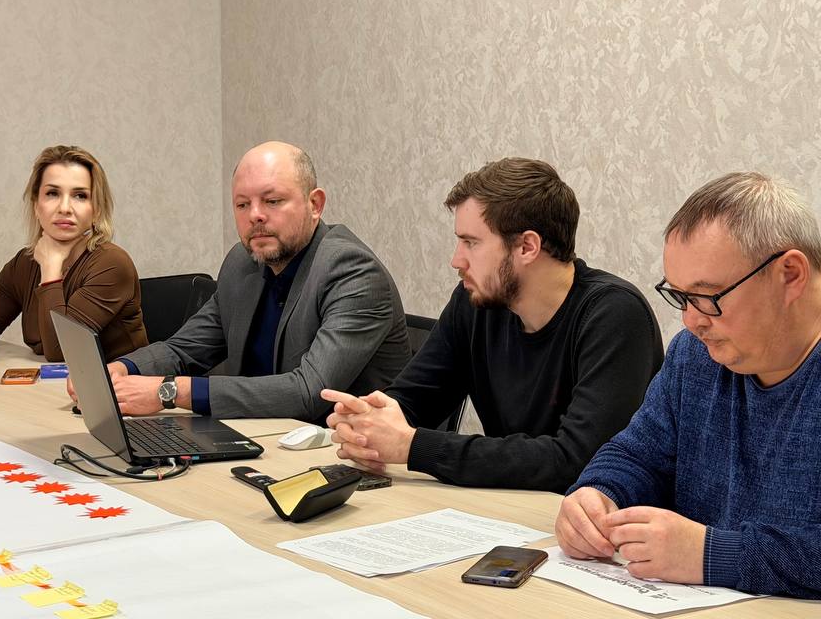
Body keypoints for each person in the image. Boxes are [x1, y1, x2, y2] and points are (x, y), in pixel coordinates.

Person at [325, 158, 662, 493]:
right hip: (505, 509)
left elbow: (577, 459)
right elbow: (413, 400)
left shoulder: (614, 314)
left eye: (471, 243)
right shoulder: (477, 302)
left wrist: (414, 447)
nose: (456, 260)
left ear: (527, 247)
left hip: (582, 518)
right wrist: (367, 424)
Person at [557, 172, 821, 598]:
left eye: (708, 297)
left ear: (790, 275)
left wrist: (712, 554)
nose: (691, 320)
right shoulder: (694, 356)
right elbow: (638, 455)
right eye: (681, 297)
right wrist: (598, 494)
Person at [76, 141, 411, 425]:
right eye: (242, 204)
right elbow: (184, 349)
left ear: (315, 205)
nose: (255, 216)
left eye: (272, 201)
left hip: (341, 458)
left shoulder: (352, 272)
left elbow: (308, 392)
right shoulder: (243, 262)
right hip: (261, 441)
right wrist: (121, 369)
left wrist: (172, 392)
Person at [0, 145, 147, 362]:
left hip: (116, 383)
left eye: (80, 196)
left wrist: (51, 268)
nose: (65, 208)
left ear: (96, 210)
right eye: (53, 193)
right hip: (52, 381)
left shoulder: (113, 264)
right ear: (36, 205)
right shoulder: (24, 263)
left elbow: (62, 352)